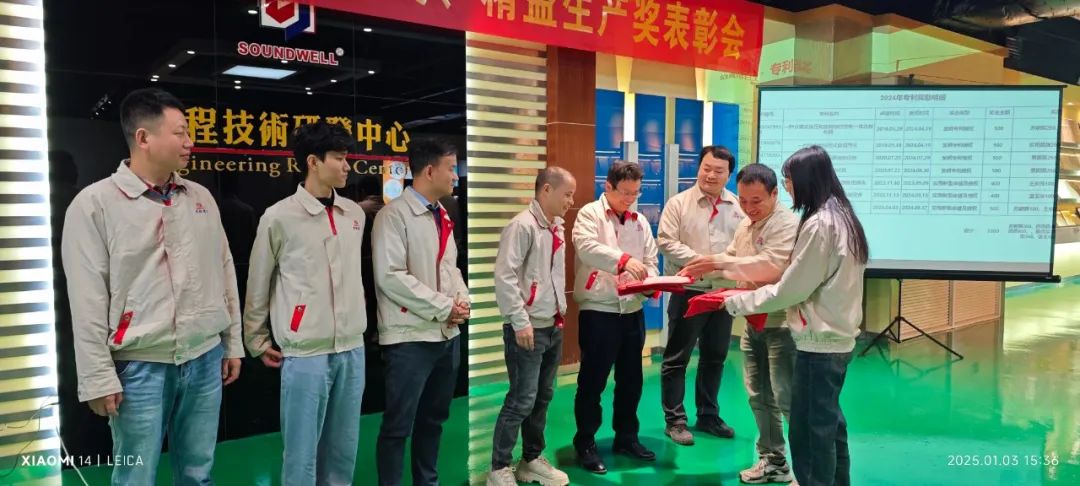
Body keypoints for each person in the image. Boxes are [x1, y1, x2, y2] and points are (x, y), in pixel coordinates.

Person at [60, 88, 243, 484]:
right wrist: (97, 377)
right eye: (180, 132)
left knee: (198, 472)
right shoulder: (95, 205)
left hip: (204, 355)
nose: (189, 142)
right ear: (143, 137)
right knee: (136, 476)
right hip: (139, 366)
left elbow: (224, 270)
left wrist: (232, 343)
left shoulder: (200, 197)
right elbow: (87, 300)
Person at [683, 146, 869, 486]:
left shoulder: (818, 225)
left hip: (814, 340)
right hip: (826, 337)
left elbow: (789, 287)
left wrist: (734, 302)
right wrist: (710, 271)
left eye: (789, 182)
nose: (788, 188)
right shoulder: (839, 216)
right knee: (825, 427)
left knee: (809, 431)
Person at [243, 121, 368, 485]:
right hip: (305, 351)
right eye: (339, 158)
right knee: (301, 453)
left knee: (343, 448)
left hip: (352, 348)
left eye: (347, 158)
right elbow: (258, 281)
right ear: (313, 162)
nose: (347, 166)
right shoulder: (279, 217)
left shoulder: (354, 215)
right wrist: (257, 339)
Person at [682, 163, 800, 484]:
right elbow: (733, 257)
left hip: (781, 325)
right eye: (744, 201)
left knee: (788, 400)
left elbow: (770, 266)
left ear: (775, 194)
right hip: (753, 323)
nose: (748, 208)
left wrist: (716, 263)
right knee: (759, 396)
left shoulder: (786, 224)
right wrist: (701, 270)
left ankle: (808, 471)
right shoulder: (747, 224)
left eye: (756, 201)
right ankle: (773, 460)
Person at [373, 138, 470, 486]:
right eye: (451, 168)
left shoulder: (442, 213)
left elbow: (451, 267)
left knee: (433, 420)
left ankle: (427, 482)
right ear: (429, 170)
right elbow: (390, 276)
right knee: (398, 426)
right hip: (409, 338)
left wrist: (462, 300)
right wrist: (444, 307)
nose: (456, 176)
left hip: (446, 335)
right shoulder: (393, 216)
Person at [486, 167, 577, 486]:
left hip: (552, 326)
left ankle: (531, 459)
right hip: (527, 329)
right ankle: (499, 467)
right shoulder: (522, 226)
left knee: (543, 397)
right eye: (567, 194)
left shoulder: (555, 227)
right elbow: (505, 276)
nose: (571, 201)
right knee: (521, 399)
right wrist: (520, 321)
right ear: (546, 190)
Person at [571, 161, 659, 474]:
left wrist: (652, 283)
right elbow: (586, 248)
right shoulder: (590, 214)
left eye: (636, 193)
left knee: (631, 380)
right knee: (592, 381)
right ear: (607, 186)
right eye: (625, 193)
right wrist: (622, 260)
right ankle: (585, 442)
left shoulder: (640, 221)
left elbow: (650, 260)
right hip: (600, 309)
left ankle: (627, 437)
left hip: (633, 311)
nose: (630, 199)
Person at [656, 145, 745, 445]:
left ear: (728, 175)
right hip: (688, 291)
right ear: (698, 168)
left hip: (722, 293)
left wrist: (723, 267)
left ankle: (708, 415)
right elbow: (666, 242)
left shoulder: (737, 207)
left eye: (719, 171)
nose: (711, 175)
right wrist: (704, 263)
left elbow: (744, 246)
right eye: (706, 168)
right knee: (677, 358)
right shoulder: (678, 204)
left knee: (715, 356)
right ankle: (675, 421)